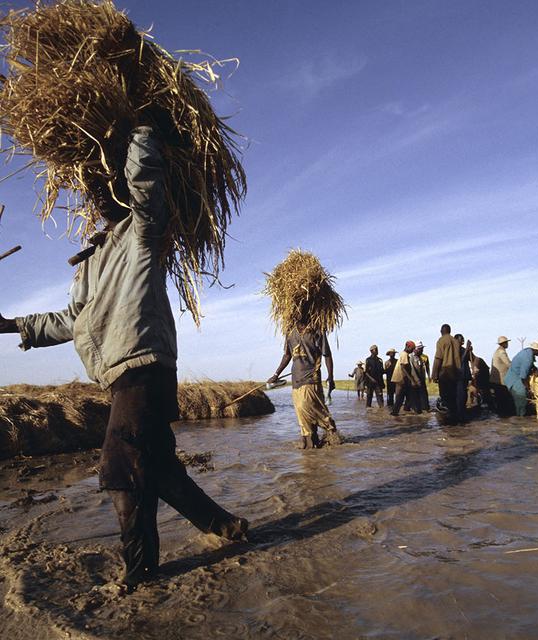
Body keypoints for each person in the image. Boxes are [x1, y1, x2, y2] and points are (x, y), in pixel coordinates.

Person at [0, 127, 248, 591]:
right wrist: (11, 325)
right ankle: (228, 529)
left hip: (143, 367)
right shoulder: (89, 264)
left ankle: (139, 576)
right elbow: (71, 320)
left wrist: (140, 131)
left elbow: (147, 188)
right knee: (158, 469)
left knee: (120, 470)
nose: (100, 201)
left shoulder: (140, 232)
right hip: (118, 377)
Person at [268, 325, 341, 449]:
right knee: (302, 414)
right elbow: (287, 355)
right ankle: (311, 448)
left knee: (310, 407)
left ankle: (330, 430)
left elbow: (327, 354)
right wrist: (276, 374)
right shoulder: (290, 333)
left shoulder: (317, 330)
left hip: (311, 377)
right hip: (296, 380)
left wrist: (330, 376)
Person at [504, 341, 538, 416]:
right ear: (537, 350)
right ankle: (520, 420)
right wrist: (528, 388)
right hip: (516, 381)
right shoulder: (528, 358)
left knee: (520, 403)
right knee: (521, 403)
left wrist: (537, 371)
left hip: (513, 378)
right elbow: (523, 377)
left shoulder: (527, 352)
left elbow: (532, 367)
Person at [432, 324, 462, 424]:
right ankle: (455, 418)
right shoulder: (456, 341)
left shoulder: (441, 341)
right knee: (453, 397)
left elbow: (438, 358)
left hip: (444, 374)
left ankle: (448, 420)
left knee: (445, 397)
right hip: (455, 374)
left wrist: (434, 374)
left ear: (442, 331)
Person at [390, 341, 421, 415]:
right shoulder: (404, 354)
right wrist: (412, 380)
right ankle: (395, 413)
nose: (412, 350)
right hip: (401, 379)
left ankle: (397, 412)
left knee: (404, 397)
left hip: (402, 379)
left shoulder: (405, 354)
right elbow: (403, 368)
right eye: (412, 349)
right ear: (408, 347)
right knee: (401, 398)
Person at [490, 336, 513, 414]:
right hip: (500, 379)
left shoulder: (497, 351)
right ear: (504, 343)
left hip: (496, 379)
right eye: (506, 343)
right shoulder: (501, 352)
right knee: (503, 398)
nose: (507, 344)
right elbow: (508, 364)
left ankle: (501, 414)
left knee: (500, 398)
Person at [454, 334, 473, 422]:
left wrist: (470, 351)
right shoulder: (454, 350)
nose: (462, 341)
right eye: (461, 339)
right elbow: (460, 360)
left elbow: (470, 358)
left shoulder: (463, 349)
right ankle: (460, 415)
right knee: (460, 396)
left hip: (465, 375)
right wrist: (467, 349)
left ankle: (463, 412)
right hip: (459, 376)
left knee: (464, 396)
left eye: (463, 339)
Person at [410, 341, 430, 411]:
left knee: (424, 395)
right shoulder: (411, 357)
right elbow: (412, 370)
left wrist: (428, 376)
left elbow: (426, 367)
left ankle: (425, 408)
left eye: (422, 349)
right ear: (416, 349)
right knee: (415, 396)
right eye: (421, 349)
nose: (422, 350)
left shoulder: (422, 358)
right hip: (414, 381)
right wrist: (417, 380)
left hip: (421, 379)